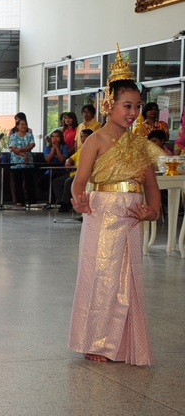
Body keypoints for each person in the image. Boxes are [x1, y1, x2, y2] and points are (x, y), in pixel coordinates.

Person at [69, 47, 162, 365]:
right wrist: (79, 200)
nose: (133, 112)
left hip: (131, 217)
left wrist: (153, 211)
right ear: (109, 105)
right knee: (100, 275)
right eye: (127, 106)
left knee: (127, 278)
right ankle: (94, 340)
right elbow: (79, 181)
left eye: (137, 106)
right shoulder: (94, 140)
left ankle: (121, 343)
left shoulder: (140, 145)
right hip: (101, 212)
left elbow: (151, 186)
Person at [56, 128, 93, 212]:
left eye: (85, 137)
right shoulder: (81, 149)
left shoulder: (93, 149)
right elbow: (71, 158)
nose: (83, 139)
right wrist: (68, 161)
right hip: (73, 173)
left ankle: (66, 203)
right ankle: (63, 201)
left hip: (84, 175)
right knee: (57, 182)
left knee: (68, 182)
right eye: (81, 137)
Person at [8, 113, 36, 206]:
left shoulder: (29, 135)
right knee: (18, 182)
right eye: (22, 124)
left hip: (28, 162)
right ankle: (20, 200)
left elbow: (31, 145)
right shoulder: (13, 136)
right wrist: (23, 154)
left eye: (25, 124)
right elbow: (13, 149)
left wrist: (21, 149)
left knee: (29, 181)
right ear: (17, 126)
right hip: (16, 162)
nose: (24, 126)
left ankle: (32, 201)